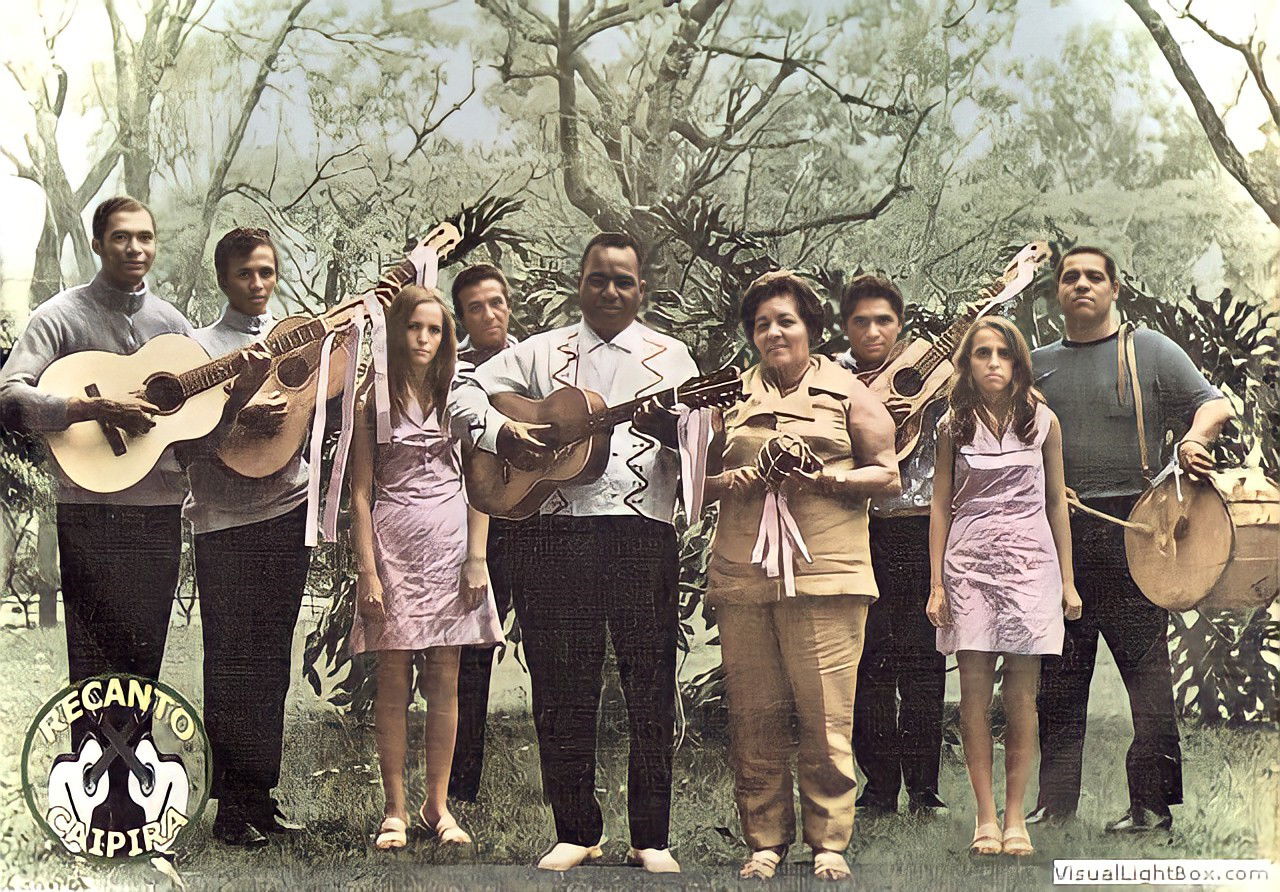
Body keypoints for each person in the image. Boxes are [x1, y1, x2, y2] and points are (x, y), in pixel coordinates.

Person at [456, 232, 698, 873]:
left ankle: (652, 836)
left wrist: (677, 428)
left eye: (623, 280)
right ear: (580, 283)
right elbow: (464, 394)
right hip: (555, 532)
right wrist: (504, 429)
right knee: (562, 684)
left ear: (641, 288)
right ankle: (575, 829)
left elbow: (705, 440)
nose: (611, 291)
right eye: (599, 279)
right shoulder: (541, 352)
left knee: (649, 681)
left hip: (643, 533)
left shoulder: (671, 357)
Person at [1028, 246, 1233, 833]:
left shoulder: (1148, 349)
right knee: (1059, 674)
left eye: (1095, 276)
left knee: (1146, 675)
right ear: (1056, 292)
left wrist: (1193, 441)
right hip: (1059, 530)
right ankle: (1054, 803)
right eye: (1071, 278)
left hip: (1139, 530)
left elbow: (1212, 403)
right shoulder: (1037, 363)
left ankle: (1151, 806)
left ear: (1115, 288)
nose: (1082, 285)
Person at [704, 270, 899, 882]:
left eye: (785, 320)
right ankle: (764, 839)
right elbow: (689, 482)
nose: (773, 333)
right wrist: (729, 480)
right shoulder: (729, 396)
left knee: (825, 715)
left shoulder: (849, 393)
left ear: (811, 328)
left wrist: (825, 479)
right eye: (762, 324)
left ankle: (829, 843)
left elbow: (887, 474)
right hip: (744, 572)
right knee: (755, 714)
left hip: (827, 573)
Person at [0, 196, 192, 717]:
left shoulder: (172, 323)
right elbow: (9, 398)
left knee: (145, 661)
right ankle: (94, 789)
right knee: (93, 662)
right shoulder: (58, 316)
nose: (135, 248)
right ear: (97, 243)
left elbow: (202, 413)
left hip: (157, 511)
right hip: (89, 510)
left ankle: (136, 786)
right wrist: (88, 407)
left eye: (145, 238)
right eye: (121, 237)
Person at [347, 285, 503, 850]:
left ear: (446, 337)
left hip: (450, 546)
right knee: (392, 680)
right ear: (398, 331)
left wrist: (476, 558)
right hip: (392, 546)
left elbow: (481, 484)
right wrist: (367, 570)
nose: (424, 338)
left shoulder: (460, 396)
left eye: (435, 330)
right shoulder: (374, 400)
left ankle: (438, 808)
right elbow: (360, 493)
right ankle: (394, 810)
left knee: (445, 678)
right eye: (415, 327)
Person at [925, 317, 1080, 857]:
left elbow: (1057, 501)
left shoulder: (1043, 422)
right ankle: (985, 819)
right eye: (982, 353)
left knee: (1021, 698)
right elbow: (940, 504)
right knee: (971, 699)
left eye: (1003, 353)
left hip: (1030, 564)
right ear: (967, 363)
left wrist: (1067, 580)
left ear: (1018, 362)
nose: (993, 362)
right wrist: (936, 584)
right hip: (967, 564)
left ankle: (1017, 819)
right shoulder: (952, 425)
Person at [180, 228, 309, 847]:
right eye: (243, 276)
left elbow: (321, 401)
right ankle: (231, 807)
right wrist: (238, 410)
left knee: (272, 662)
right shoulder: (198, 349)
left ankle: (262, 795)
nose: (257, 286)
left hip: (288, 510)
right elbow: (188, 446)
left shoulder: (294, 338)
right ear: (222, 280)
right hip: (225, 522)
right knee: (230, 661)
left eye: (265, 273)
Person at [836, 275, 948, 817]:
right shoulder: (833, 379)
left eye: (883, 320)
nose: (873, 330)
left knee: (924, 663)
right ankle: (878, 787)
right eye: (861, 321)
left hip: (921, 526)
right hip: (857, 530)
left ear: (900, 324)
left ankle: (925, 791)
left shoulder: (932, 370)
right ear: (845, 327)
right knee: (867, 663)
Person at [449, 262, 519, 803]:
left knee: (551, 649)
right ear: (462, 317)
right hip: (476, 525)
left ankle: (564, 779)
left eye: (497, 302)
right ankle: (460, 782)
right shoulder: (449, 371)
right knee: (471, 654)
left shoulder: (538, 361)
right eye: (476, 307)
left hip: (538, 522)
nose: (489, 314)